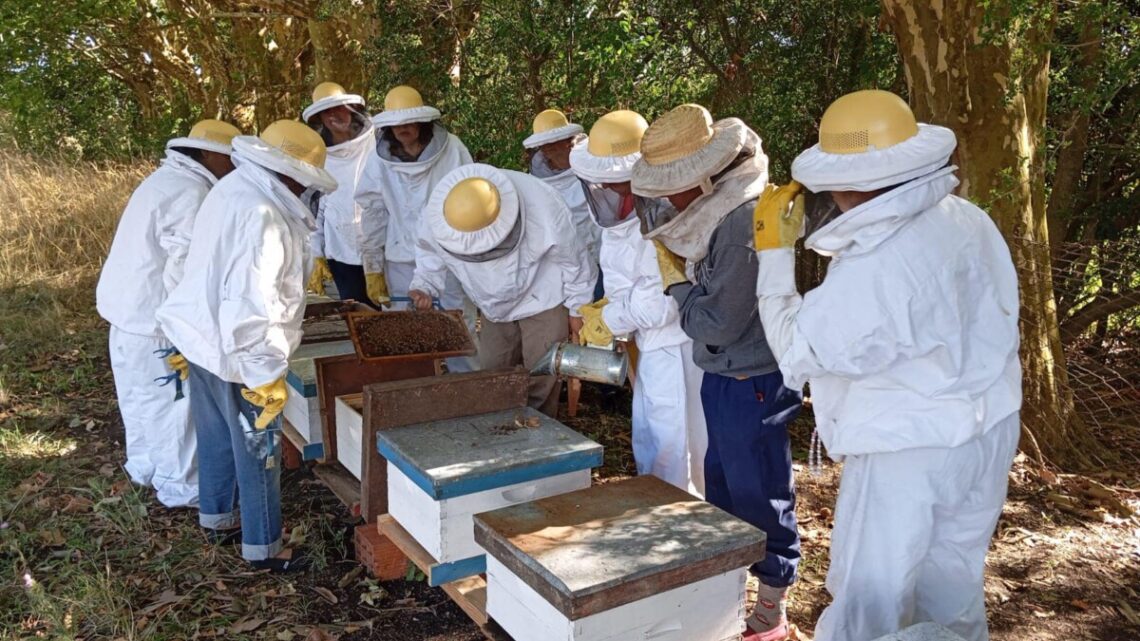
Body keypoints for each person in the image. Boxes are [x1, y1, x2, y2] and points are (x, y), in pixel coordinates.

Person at [752, 90, 1021, 641]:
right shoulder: (968, 219)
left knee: (872, 601)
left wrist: (774, 256)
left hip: (909, 450)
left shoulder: (880, 264)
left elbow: (799, 353)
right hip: (987, 430)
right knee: (953, 584)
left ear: (845, 178)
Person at [630, 103, 801, 640]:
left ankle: (772, 603)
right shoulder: (720, 216)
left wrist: (677, 285)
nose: (667, 201)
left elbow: (718, 322)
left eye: (672, 187)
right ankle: (727, 590)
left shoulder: (741, 224)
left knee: (759, 491)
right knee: (724, 487)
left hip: (752, 378)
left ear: (707, 177)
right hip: (725, 376)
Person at [156, 120, 337, 571]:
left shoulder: (232, 187)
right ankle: (264, 548)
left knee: (215, 436)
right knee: (258, 452)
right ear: (293, 175)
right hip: (237, 353)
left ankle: (217, 519)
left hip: (202, 340)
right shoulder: (264, 217)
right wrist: (265, 374)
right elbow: (251, 306)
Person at [96, 119, 240, 508]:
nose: (233, 168)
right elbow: (184, 270)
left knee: (139, 401)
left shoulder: (162, 181)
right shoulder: (190, 192)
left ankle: (145, 468)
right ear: (210, 154)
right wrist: (202, 327)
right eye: (230, 159)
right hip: (156, 323)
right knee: (173, 411)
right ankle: (183, 489)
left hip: (127, 316)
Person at [569, 109, 707, 495]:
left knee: (674, 446)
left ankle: (681, 526)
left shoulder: (662, 215)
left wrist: (612, 316)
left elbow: (665, 301)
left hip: (674, 346)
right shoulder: (622, 218)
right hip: (649, 345)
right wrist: (610, 312)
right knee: (651, 436)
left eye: (615, 183)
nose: (609, 190)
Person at [408, 163, 595, 416]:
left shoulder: (542, 203)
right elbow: (429, 254)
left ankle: (540, 429)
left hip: (542, 295)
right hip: (491, 306)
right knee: (493, 372)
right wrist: (424, 286)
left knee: (543, 371)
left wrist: (577, 307)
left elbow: (574, 260)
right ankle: (497, 428)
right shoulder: (439, 214)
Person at [355, 85, 472, 312]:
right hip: (400, 258)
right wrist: (373, 266)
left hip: (447, 256)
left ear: (422, 122)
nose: (403, 127)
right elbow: (373, 211)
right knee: (403, 328)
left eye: (409, 121)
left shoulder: (454, 150)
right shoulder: (378, 160)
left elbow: (470, 200)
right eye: (397, 123)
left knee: (455, 326)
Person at [301, 81, 375, 304]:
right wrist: (316, 251)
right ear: (320, 120)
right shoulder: (319, 156)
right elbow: (315, 206)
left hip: (380, 249)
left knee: (391, 318)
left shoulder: (378, 142)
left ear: (352, 111)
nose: (334, 115)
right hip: (340, 254)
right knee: (357, 318)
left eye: (339, 108)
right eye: (326, 112)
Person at [524, 109, 601, 296]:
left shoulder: (593, 164)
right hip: (567, 260)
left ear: (569, 141)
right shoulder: (539, 177)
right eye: (544, 146)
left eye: (552, 144)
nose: (548, 150)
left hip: (602, 252)